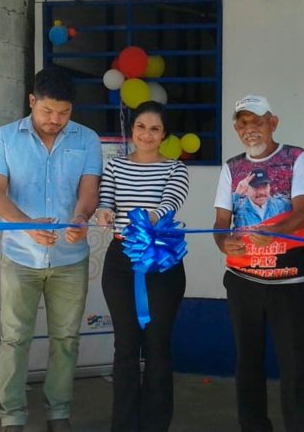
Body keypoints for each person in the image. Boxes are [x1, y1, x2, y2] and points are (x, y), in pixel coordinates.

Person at [0, 66, 102, 432]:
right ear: (32, 101)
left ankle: (58, 414)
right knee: (15, 339)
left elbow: (89, 190)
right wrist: (26, 225)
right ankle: (13, 417)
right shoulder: (3, 139)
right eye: (48, 111)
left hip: (70, 258)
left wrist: (82, 217)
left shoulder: (87, 139)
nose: (55, 120)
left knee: (66, 338)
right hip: (20, 257)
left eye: (64, 113)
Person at [213, 94, 304, 432]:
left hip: (288, 283)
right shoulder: (231, 167)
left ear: (272, 123)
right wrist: (222, 241)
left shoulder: (296, 158)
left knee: (296, 368)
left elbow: (302, 211)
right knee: (247, 365)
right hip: (243, 281)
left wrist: (271, 233)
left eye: (256, 121)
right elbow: (220, 221)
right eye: (242, 123)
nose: (249, 130)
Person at [95, 101, 189, 432]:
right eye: (141, 127)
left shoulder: (176, 168)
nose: (146, 134)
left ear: (164, 134)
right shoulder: (115, 167)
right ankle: (123, 424)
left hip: (162, 260)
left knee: (157, 345)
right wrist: (104, 213)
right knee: (125, 345)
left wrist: (147, 218)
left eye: (155, 128)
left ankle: (155, 424)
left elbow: (169, 202)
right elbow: (105, 201)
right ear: (132, 130)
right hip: (121, 262)